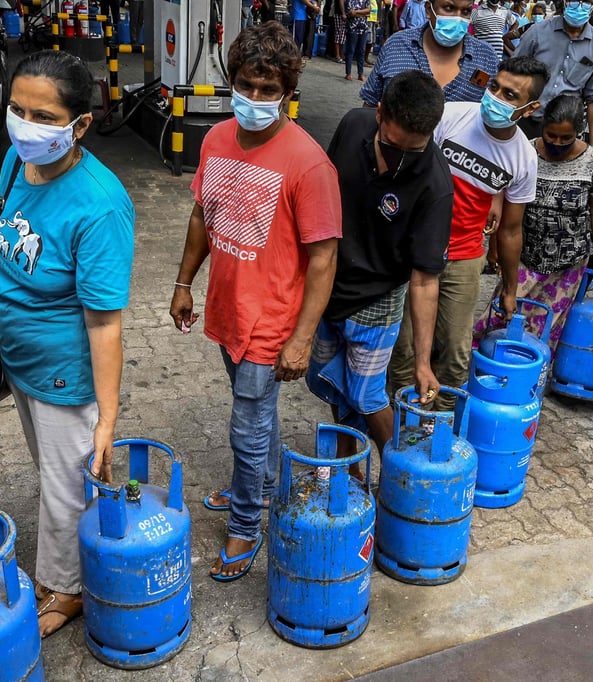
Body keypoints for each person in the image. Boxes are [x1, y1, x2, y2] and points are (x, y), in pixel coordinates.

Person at [169, 23, 341, 582]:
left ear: (289, 90)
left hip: (271, 325)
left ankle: (246, 524)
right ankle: (262, 487)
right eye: (247, 85)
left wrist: (302, 339)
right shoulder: (217, 139)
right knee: (257, 418)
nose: (256, 99)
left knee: (246, 426)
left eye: (270, 90)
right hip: (226, 310)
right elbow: (202, 214)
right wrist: (183, 282)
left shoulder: (310, 163)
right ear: (233, 82)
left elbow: (323, 259)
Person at [0, 51, 135, 637]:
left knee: (69, 485)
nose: (25, 125)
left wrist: (106, 417)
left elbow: (105, 324)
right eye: (18, 109)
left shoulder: (100, 206)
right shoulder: (17, 164)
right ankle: (62, 571)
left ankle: (68, 588)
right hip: (18, 360)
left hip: (63, 374)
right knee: (52, 473)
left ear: (79, 125)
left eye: (44, 117)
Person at [309, 71, 450, 464]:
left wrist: (422, 363)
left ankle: (402, 476)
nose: (400, 160)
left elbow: (424, 281)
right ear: (380, 113)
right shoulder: (353, 124)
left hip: (378, 302)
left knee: (369, 396)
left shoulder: (435, 184)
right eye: (392, 144)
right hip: (327, 285)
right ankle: (349, 463)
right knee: (330, 382)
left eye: (414, 151)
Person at [387, 56, 544, 410]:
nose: (497, 98)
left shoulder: (523, 158)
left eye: (510, 95)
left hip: (465, 255)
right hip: (414, 251)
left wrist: (509, 288)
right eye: (495, 87)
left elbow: (511, 230)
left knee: (456, 354)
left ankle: (438, 425)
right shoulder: (450, 116)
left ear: (530, 108)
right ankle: (403, 419)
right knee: (404, 347)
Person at [473, 94, 593, 351]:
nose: (556, 143)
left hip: (569, 262)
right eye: (551, 135)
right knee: (500, 315)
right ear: (543, 127)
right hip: (525, 254)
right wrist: (494, 249)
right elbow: (504, 206)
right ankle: (482, 370)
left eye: (565, 138)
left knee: (545, 327)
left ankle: (527, 380)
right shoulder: (524, 152)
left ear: (578, 133)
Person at [360, 0, 501, 106]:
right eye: (449, 8)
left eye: (465, 12)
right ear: (428, 9)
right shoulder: (397, 45)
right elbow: (370, 104)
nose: (458, 18)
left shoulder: (487, 58)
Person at [515, 0, 593, 145]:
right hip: (528, 121)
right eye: (574, 1)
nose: (579, 6)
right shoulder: (537, 32)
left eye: (586, 2)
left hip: (565, 131)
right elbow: (513, 74)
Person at [346, 0, 373, 79]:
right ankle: (348, 73)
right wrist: (363, 12)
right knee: (351, 50)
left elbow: (369, 10)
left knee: (362, 50)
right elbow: (351, 13)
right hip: (353, 27)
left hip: (364, 28)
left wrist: (357, 12)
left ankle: (360, 74)